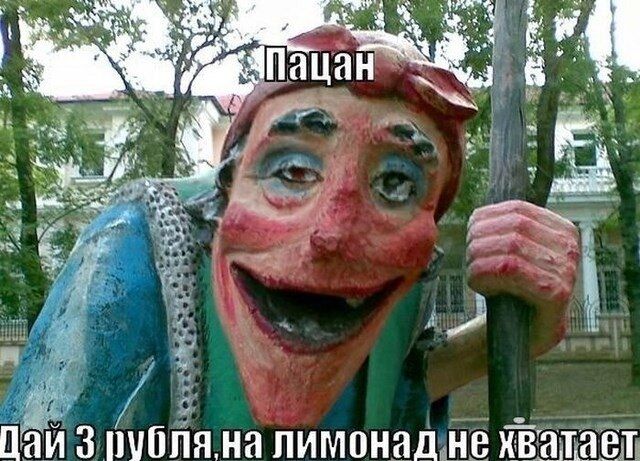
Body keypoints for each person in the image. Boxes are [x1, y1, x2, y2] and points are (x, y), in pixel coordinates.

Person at [1, 24, 579, 455]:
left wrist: (524, 326)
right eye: (292, 171)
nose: (332, 234)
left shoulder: (394, 286)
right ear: (228, 184)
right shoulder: (139, 250)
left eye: (397, 184)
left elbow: (399, 395)